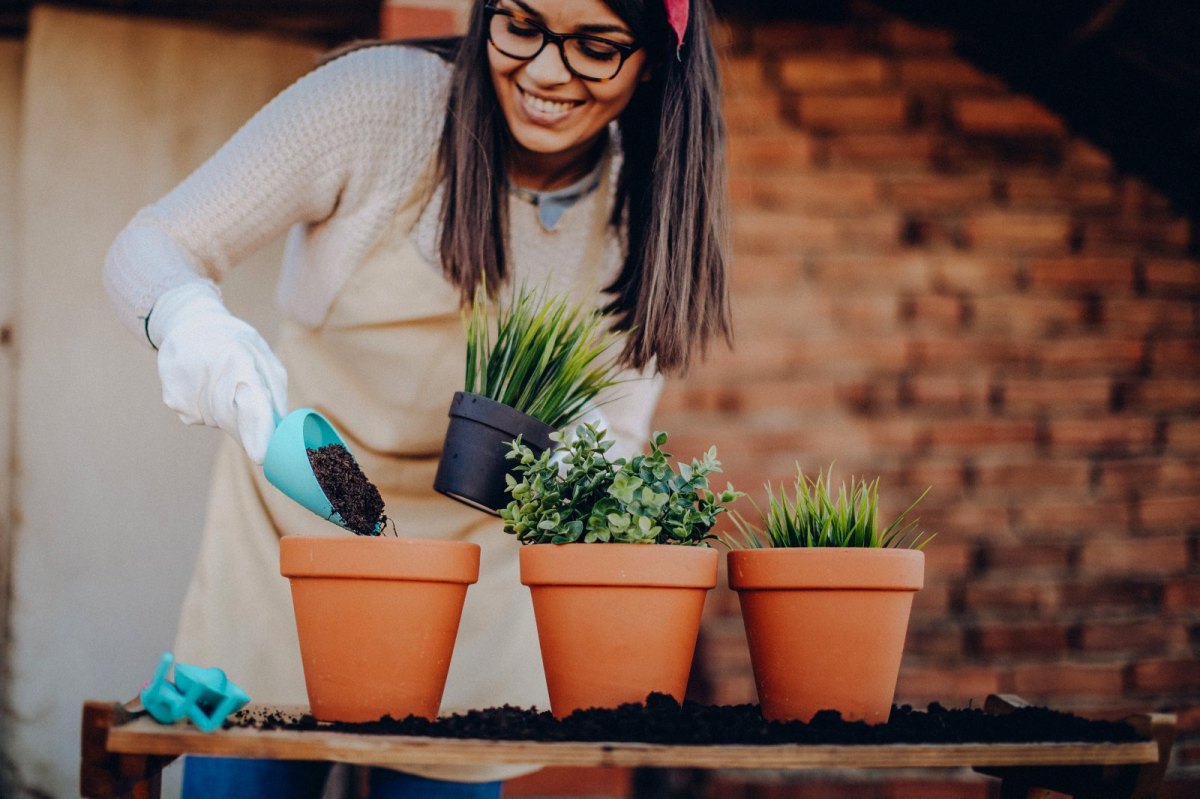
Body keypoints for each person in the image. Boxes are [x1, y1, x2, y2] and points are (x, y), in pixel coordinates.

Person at [104, 0, 730, 796]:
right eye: (521, 25)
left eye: (596, 46)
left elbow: (614, 429)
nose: (544, 71)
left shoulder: (651, 201)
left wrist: (586, 470)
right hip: (288, 545)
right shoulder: (381, 107)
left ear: (656, 59)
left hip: (477, 580)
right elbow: (151, 246)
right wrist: (190, 323)